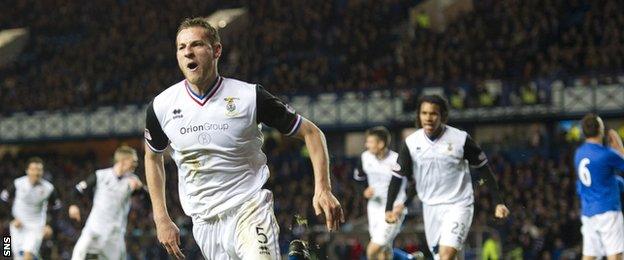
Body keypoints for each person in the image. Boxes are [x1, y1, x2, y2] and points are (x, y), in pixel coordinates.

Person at [144, 17, 344, 260]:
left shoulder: (249, 96)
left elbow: (312, 133)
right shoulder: (161, 106)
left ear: (216, 50)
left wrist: (323, 188)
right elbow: (152, 158)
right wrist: (161, 218)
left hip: (249, 208)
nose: (188, 53)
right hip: (205, 223)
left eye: (196, 45)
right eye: (181, 47)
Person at [385, 94, 510, 260]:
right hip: (430, 207)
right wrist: (390, 208)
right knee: (442, 257)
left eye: (433, 113)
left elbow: (484, 170)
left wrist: (498, 202)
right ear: (419, 115)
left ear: (442, 116)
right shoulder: (411, 143)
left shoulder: (460, 139)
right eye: (424, 113)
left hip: (458, 205)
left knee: (445, 256)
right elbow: (398, 177)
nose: (428, 118)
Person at [69, 146, 143, 260]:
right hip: (94, 230)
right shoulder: (101, 176)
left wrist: (141, 189)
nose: (136, 164)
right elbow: (77, 191)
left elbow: (148, 199)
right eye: (133, 161)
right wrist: (73, 205)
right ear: (123, 160)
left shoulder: (133, 181)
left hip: (114, 235)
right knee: (78, 255)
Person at [574, 113, 624, 260]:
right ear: (600, 130)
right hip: (608, 210)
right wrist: (619, 146)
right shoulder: (607, 154)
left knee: (589, 255)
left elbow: (600, 178)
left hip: (588, 211)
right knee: (615, 254)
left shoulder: (579, 153)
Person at [353, 126, 408, 260]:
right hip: (374, 208)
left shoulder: (397, 160)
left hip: (393, 208)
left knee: (373, 249)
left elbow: (412, 183)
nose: (366, 145)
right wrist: (364, 191)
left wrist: (403, 204)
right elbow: (358, 179)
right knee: (385, 249)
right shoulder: (365, 157)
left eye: (370, 142)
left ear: (381, 143)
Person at [0, 157, 61, 260]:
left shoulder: (49, 188)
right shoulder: (18, 184)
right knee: (13, 255)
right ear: (27, 171)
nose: (36, 173)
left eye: (39, 170)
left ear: (43, 172)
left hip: (36, 226)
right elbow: (3, 200)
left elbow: (57, 208)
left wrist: (50, 225)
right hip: (17, 226)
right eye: (33, 169)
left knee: (27, 253)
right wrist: (11, 219)